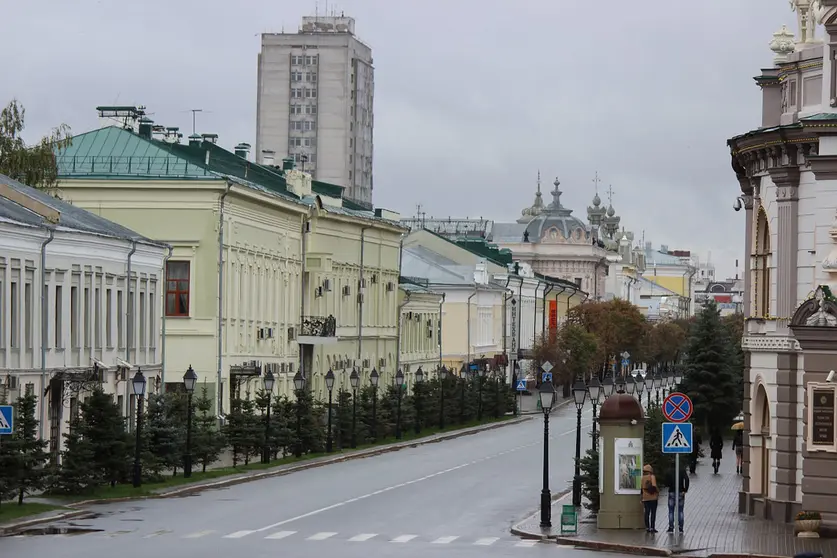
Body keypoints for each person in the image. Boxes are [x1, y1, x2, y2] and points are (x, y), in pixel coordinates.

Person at [665, 463, 689, 533]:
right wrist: (685, 490)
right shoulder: (682, 470)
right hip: (681, 492)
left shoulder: (669, 471)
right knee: (680, 511)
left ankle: (671, 527)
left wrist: (669, 485)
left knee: (671, 511)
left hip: (671, 492)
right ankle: (681, 528)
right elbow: (687, 479)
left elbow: (666, 483)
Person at [641, 464, 659, 533]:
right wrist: (658, 492)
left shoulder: (642, 478)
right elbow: (654, 486)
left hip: (645, 498)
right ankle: (652, 527)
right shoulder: (652, 477)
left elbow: (641, 488)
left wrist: (641, 498)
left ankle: (647, 527)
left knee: (647, 512)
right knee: (653, 513)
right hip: (653, 497)